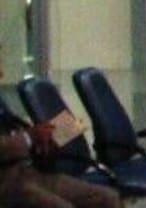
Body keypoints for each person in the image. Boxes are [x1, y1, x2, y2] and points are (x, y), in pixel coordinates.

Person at [3, 49, 122, 208]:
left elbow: (12, 130)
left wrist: (44, 137)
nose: (1, 72)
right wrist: (29, 137)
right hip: (6, 185)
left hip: (26, 173)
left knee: (107, 197)